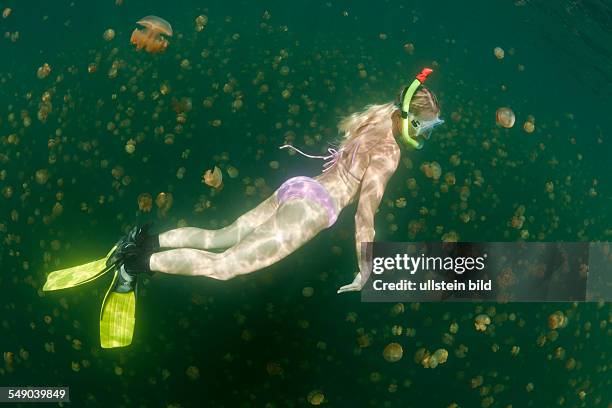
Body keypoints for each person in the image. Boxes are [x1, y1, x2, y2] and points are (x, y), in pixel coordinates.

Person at [43, 68, 443, 348]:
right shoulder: (389, 152)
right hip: (314, 209)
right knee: (225, 267)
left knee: (221, 236)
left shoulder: (378, 115)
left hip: (298, 187)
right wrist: (367, 268)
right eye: (426, 128)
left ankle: (142, 237)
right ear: (411, 122)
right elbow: (365, 214)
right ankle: (135, 265)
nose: (424, 136)